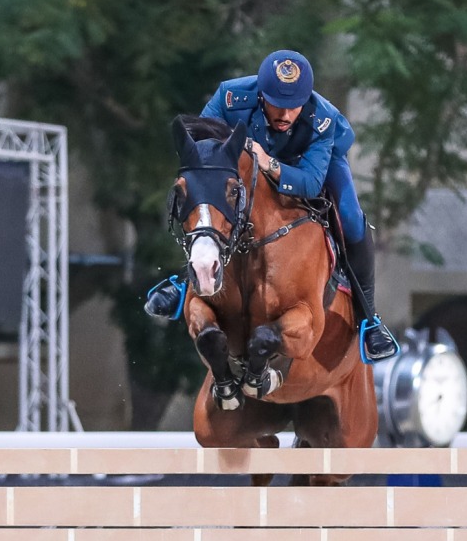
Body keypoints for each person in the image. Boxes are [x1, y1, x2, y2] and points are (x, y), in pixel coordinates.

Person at [146, 49, 399, 362]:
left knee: (349, 215)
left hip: (311, 163)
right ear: (260, 94)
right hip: (248, 160)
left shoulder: (322, 120)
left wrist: (269, 164)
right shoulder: (229, 97)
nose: (285, 115)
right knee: (206, 201)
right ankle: (186, 284)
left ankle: (368, 318)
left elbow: (309, 181)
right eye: (276, 104)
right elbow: (203, 154)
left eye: (294, 106)